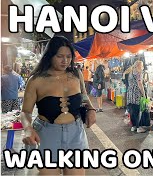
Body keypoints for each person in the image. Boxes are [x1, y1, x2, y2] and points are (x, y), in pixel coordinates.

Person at [20, 36, 96, 175]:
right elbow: (25, 112)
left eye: (68, 56)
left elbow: (84, 96)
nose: (65, 61)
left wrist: (91, 109)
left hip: (76, 133)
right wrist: (28, 128)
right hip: (46, 134)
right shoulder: (36, 80)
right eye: (60, 56)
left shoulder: (76, 74)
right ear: (50, 56)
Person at [123, 60, 147, 133]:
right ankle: (138, 127)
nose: (142, 67)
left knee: (132, 110)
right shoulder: (138, 72)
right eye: (142, 65)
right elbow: (140, 83)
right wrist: (144, 94)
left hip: (130, 92)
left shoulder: (131, 72)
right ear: (139, 65)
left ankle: (133, 126)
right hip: (136, 93)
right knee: (137, 110)